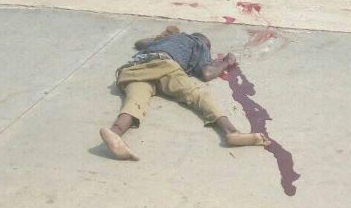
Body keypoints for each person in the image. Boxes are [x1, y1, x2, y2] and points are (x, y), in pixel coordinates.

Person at [100, 26, 271, 161]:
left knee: (135, 102)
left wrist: (161, 37)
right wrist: (227, 62)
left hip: (133, 68)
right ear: (204, 43)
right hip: (164, 65)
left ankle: (115, 133)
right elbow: (207, 73)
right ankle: (231, 132)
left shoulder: (165, 40)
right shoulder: (197, 44)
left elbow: (139, 43)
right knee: (199, 96)